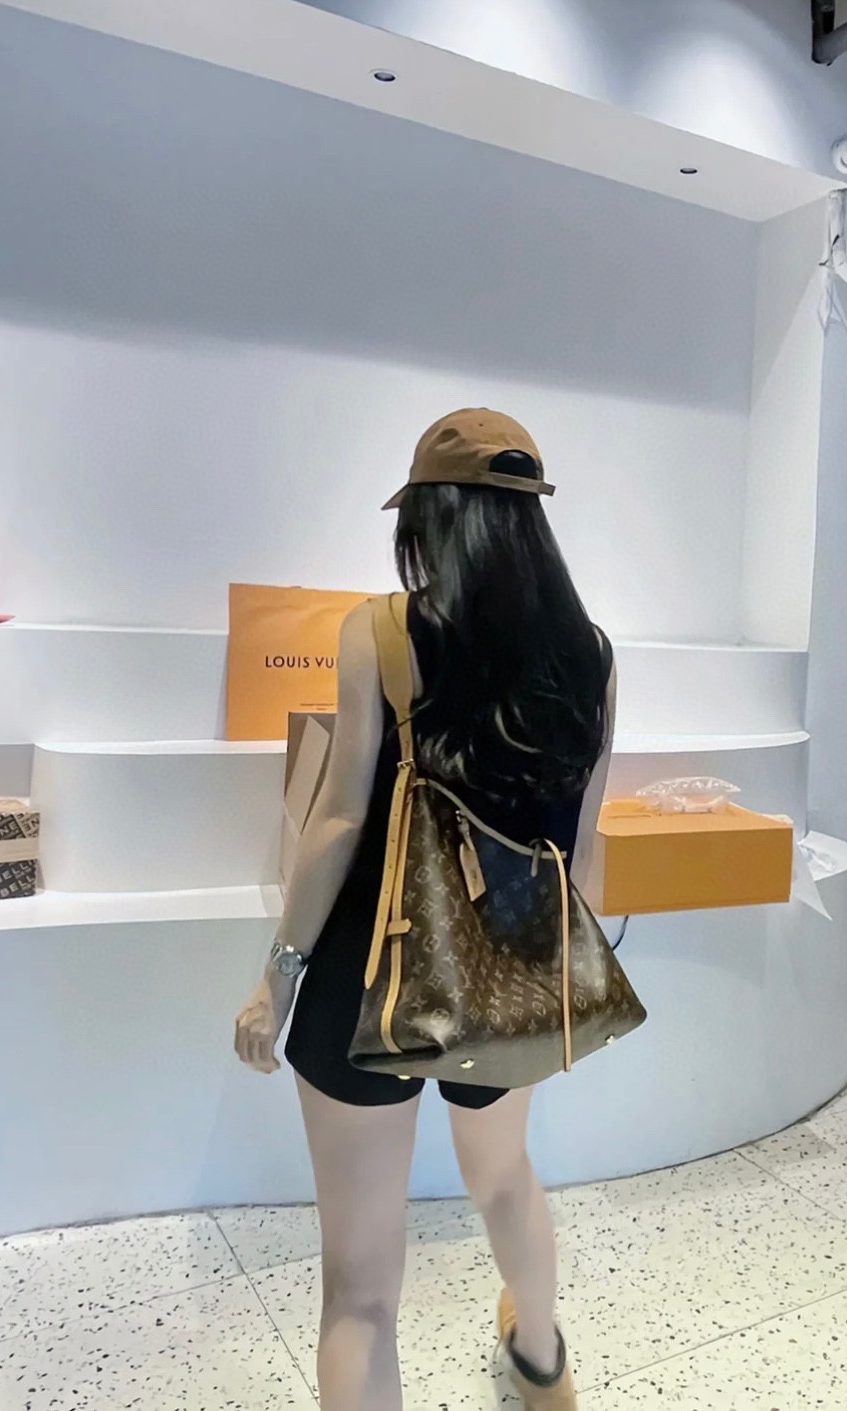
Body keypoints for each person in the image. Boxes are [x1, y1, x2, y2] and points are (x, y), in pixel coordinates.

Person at [235, 409, 616, 1411]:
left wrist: (276, 979)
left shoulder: (381, 633)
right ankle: (541, 1358)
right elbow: (583, 846)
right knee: (504, 1175)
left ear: (427, 519)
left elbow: (336, 822)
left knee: (360, 1290)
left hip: (365, 977)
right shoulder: (592, 656)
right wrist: (554, 981)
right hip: (507, 967)